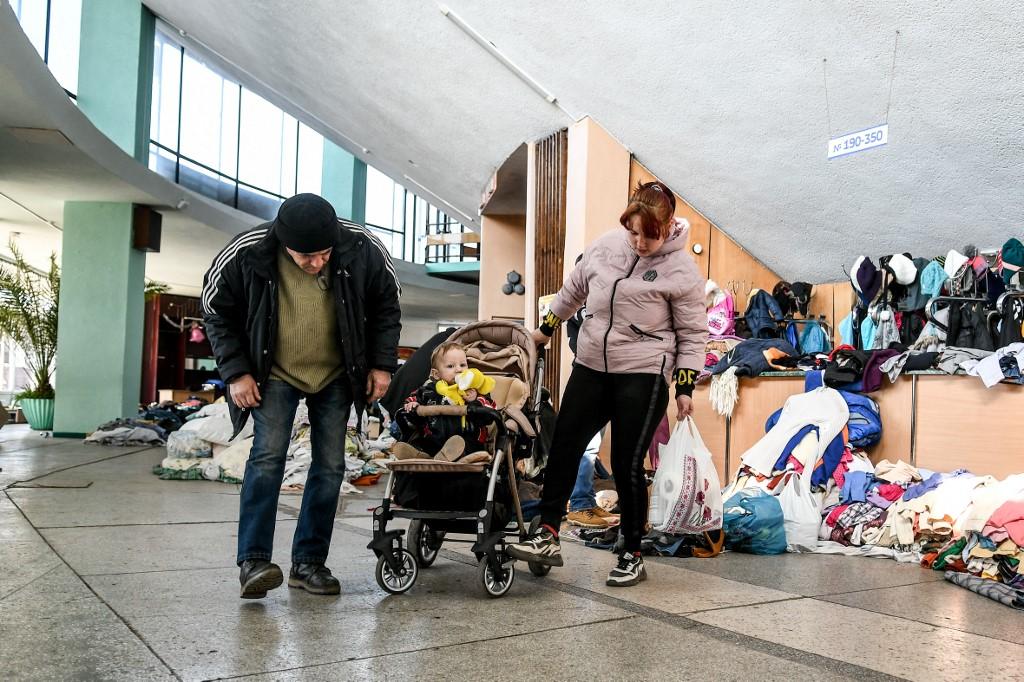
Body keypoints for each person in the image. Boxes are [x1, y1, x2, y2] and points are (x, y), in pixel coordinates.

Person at [507, 181, 707, 587]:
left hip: (645, 369)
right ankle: (547, 533)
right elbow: (573, 290)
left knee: (626, 462)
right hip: (592, 362)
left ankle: (632, 550)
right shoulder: (605, 247)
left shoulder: (682, 270)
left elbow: (693, 332)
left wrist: (684, 387)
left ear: (668, 226)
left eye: (650, 235)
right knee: (564, 444)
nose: (640, 242)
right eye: (633, 231)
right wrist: (543, 331)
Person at [202, 193, 401, 599]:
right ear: (282, 241)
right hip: (272, 371)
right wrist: (236, 372)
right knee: (268, 459)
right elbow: (215, 310)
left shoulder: (362, 245)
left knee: (330, 467)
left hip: (336, 374)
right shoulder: (247, 252)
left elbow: (386, 305)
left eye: (324, 253)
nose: (317, 264)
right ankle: (254, 562)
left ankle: (309, 564)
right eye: (305, 256)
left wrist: (382, 366)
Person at [393, 341, 497, 462]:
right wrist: (412, 405)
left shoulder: (476, 391)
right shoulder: (428, 391)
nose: (459, 370)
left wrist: (474, 402)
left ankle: (447, 455)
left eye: (463, 365)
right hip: (433, 442)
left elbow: (490, 413)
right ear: (436, 374)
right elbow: (413, 398)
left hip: (466, 443)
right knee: (420, 439)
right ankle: (420, 454)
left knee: (462, 442)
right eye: (450, 366)